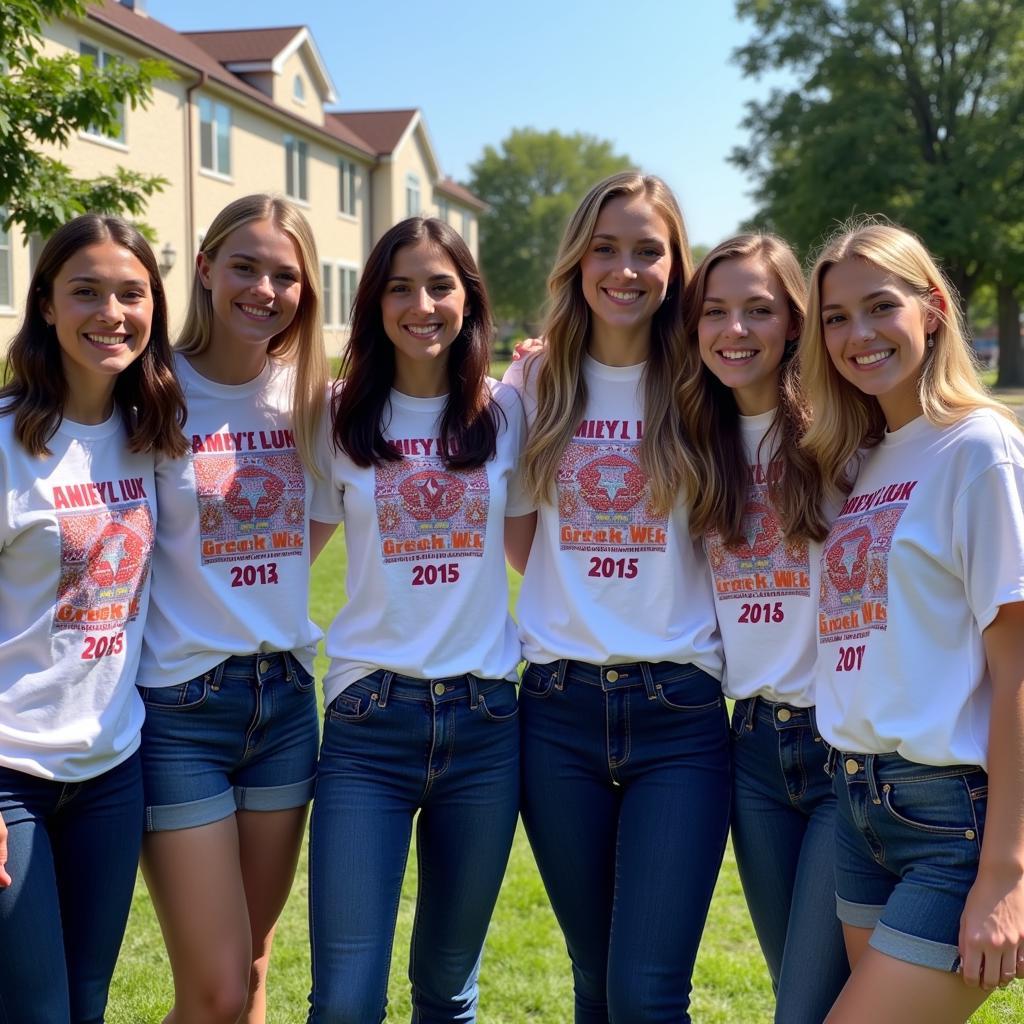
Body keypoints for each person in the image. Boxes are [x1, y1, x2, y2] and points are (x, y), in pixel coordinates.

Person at [503, 171, 729, 1023]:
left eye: (648, 250)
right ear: (577, 260)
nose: (625, 269)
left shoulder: (703, 381)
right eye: (606, 248)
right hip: (557, 710)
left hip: (680, 712)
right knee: (594, 980)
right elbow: (523, 543)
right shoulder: (536, 385)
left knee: (646, 990)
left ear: (677, 265)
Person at [799, 221, 1024, 1023]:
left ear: (932, 310)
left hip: (951, 819)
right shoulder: (866, 460)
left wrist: (1006, 872)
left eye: (879, 306)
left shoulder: (979, 449)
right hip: (860, 805)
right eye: (834, 317)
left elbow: (1019, 669)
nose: (857, 334)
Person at [306, 216, 523, 1023]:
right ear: (373, 304)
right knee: (346, 1000)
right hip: (369, 723)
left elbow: (539, 554)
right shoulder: (336, 417)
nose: (421, 304)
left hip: (487, 726)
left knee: (448, 989)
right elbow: (290, 555)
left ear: (469, 298)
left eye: (440, 285)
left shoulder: (510, 412)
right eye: (400, 288)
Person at [136, 194, 329, 1024]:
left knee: (250, 967)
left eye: (286, 275)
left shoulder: (311, 399)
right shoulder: (147, 392)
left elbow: (315, 526)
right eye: (245, 266)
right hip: (181, 709)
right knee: (211, 990)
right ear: (206, 267)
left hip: (284, 704)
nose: (264, 288)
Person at [0, 214, 187, 1022]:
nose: (111, 313)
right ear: (45, 305)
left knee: (86, 1003)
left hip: (113, 769)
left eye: (131, 294)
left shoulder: (150, 432)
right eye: (86, 291)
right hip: (13, 774)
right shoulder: (7, 440)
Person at [679, 233, 850, 1022]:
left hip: (841, 749)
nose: (734, 330)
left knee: (808, 1006)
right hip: (749, 749)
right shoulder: (694, 441)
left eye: (758, 310)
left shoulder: (843, 436)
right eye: (715, 311)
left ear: (794, 322)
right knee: (798, 993)